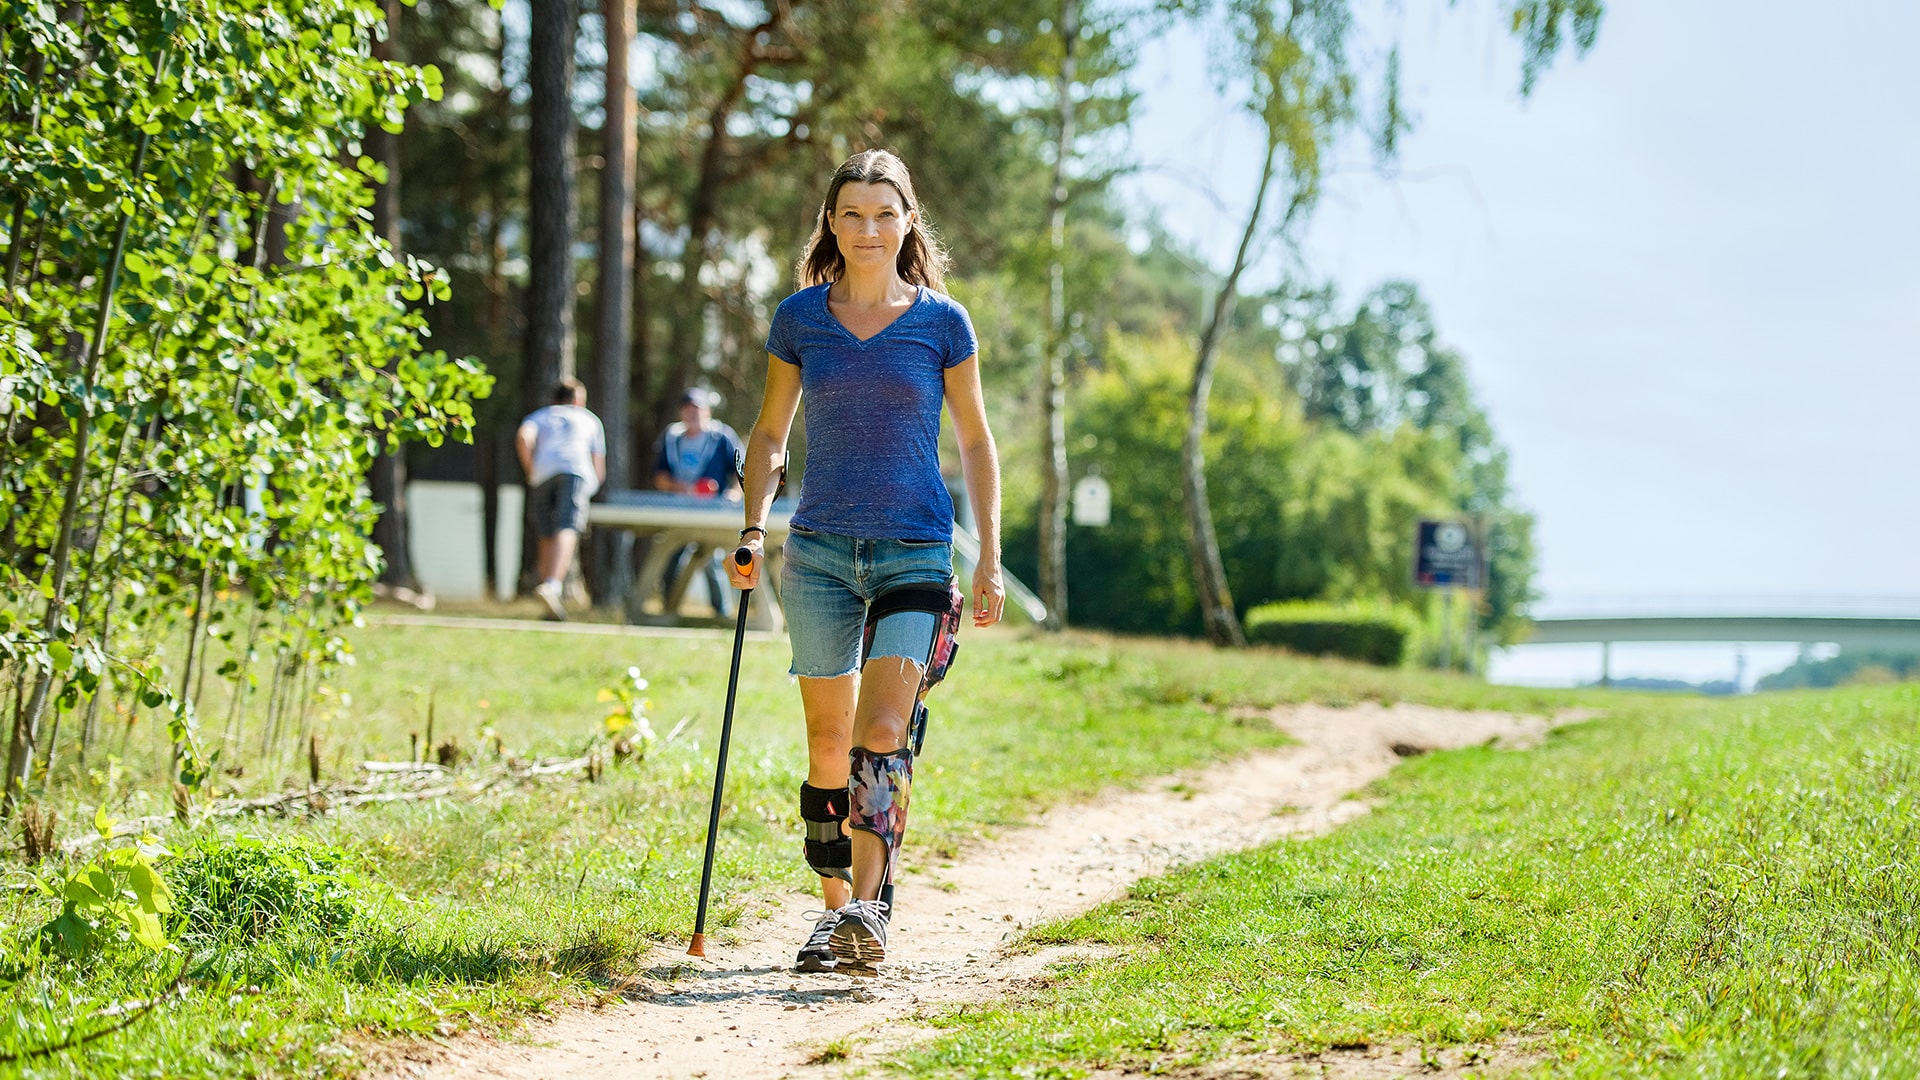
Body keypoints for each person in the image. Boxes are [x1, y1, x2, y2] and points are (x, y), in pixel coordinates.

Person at [730, 149, 1005, 975]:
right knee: (826, 745)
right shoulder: (800, 319)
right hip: (817, 553)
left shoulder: (943, 323)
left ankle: (871, 913)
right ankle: (838, 912)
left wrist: (990, 554)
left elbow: (976, 439)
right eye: (851, 214)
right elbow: (772, 434)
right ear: (832, 224)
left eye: (885, 213)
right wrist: (752, 525)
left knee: (881, 732)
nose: (868, 229)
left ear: (909, 222)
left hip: (915, 547)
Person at [516, 377, 606, 620]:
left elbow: (524, 437)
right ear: (578, 400)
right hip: (574, 470)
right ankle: (552, 585)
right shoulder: (588, 419)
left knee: (546, 531)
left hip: (542, 472)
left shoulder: (540, 415)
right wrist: (594, 485)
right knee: (568, 526)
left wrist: (531, 469)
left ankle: (549, 595)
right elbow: (598, 463)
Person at [651, 386, 744, 614]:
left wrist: (734, 493)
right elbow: (659, 477)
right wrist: (681, 487)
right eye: (687, 409)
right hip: (678, 511)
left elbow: (742, 471)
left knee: (712, 558)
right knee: (672, 557)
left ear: (707, 411)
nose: (692, 414)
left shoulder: (721, 437)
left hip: (713, 511)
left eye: (697, 408)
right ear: (681, 412)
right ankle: (669, 608)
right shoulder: (671, 438)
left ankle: (721, 612)